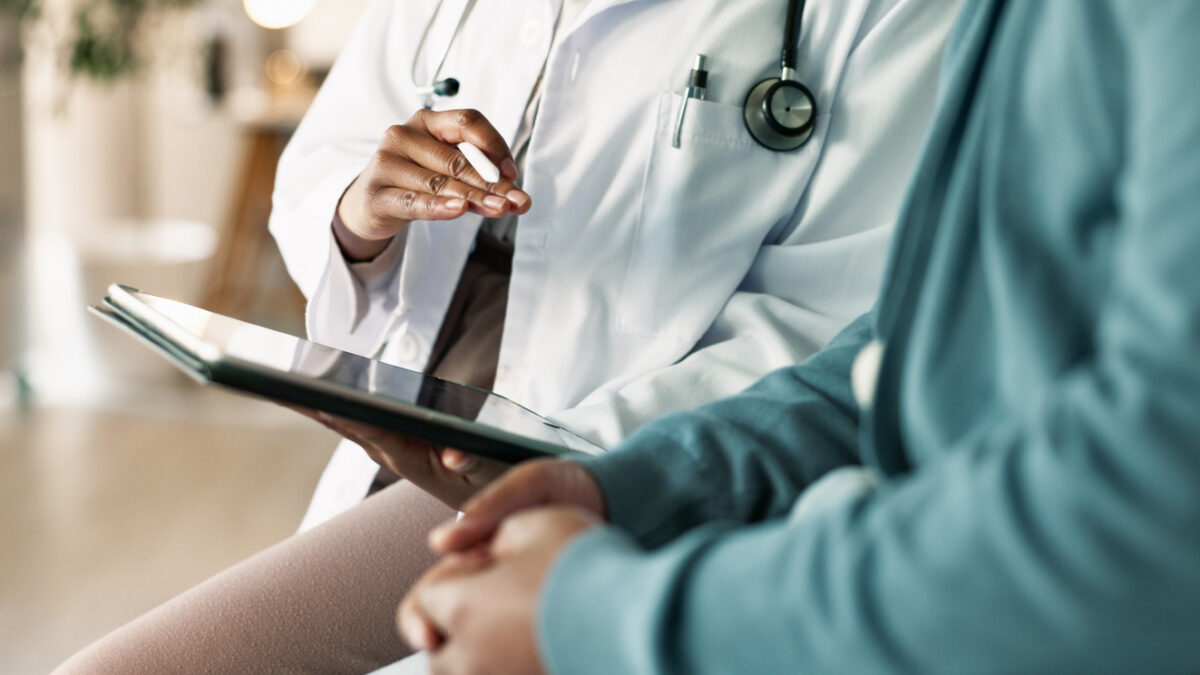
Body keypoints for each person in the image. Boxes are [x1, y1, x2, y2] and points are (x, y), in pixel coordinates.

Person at [391, 0, 1200, 672]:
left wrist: (604, 620)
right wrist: (640, 485)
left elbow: (1154, 509)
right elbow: (923, 339)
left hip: (898, 593)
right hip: (712, 514)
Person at [270, 0, 960, 536]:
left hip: (614, 474)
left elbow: (835, 318)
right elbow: (326, 158)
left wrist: (568, 458)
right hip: (399, 424)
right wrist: (361, 215)